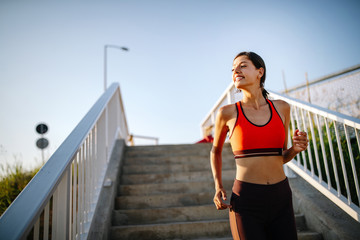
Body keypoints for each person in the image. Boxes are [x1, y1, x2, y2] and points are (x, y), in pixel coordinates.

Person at [210, 51, 309, 240]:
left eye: (242, 65)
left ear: (260, 72)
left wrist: (295, 150)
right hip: (246, 200)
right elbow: (215, 151)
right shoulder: (227, 113)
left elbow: (281, 157)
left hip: (281, 197)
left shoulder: (282, 108)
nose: (235, 71)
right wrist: (218, 185)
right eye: (233, 69)